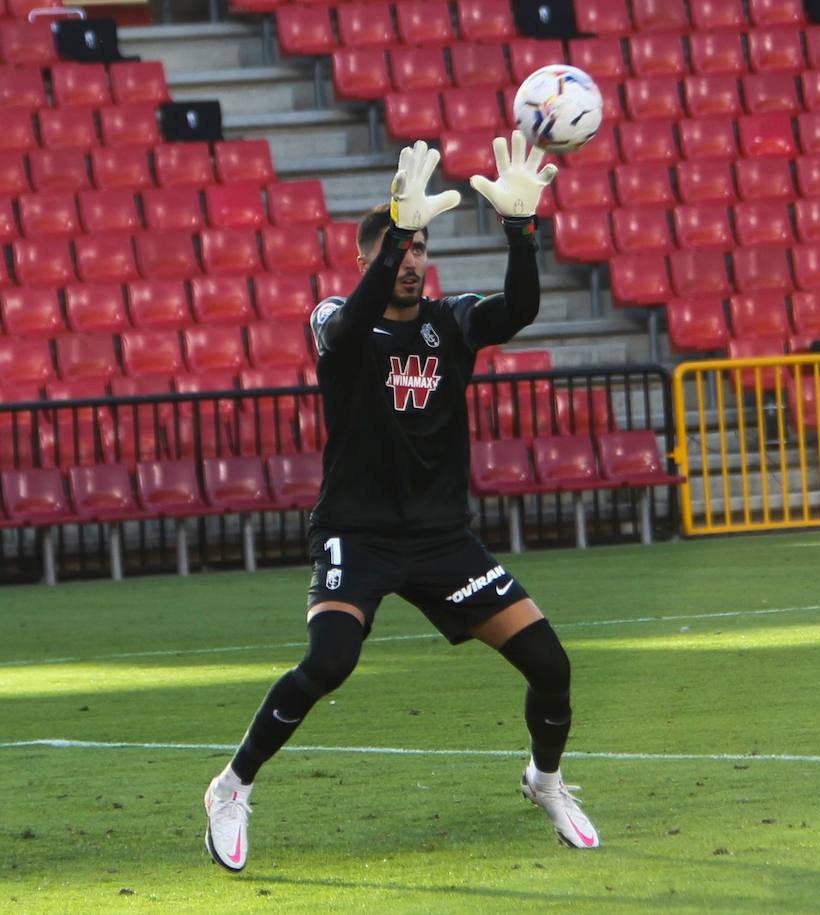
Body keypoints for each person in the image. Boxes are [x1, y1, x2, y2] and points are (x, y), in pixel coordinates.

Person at [204, 135, 600, 873]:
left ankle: (544, 780)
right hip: (358, 531)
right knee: (329, 661)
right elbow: (349, 328)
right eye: (399, 246)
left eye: (420, 245)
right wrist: (391, 233)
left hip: (442, 538)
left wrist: (521, 231)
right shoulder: (334, 319)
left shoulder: (450, 322)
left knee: (551, 663)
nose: (414, 259)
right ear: (368, 259)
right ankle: (231, 786)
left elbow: (518, 308)